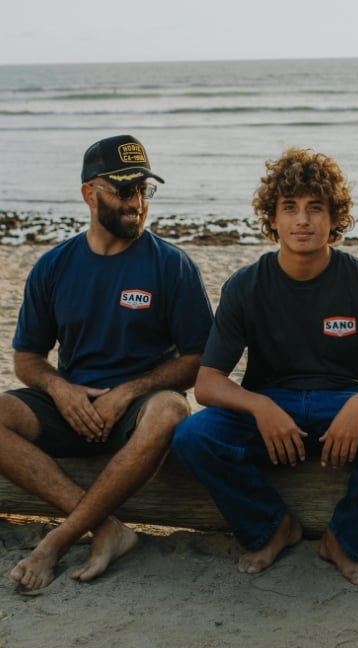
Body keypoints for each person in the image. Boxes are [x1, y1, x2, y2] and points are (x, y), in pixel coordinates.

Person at [172, 147, 358, 586]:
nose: (303, 220)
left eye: (316, 208)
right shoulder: (244, 286)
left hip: (347, 402)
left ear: (336, 218)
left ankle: (343, 541)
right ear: (272, 218)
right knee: (192, 437)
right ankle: (273, 527)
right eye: (289, 208)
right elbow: (208, 384)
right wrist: (259, 407)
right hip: (273, 407)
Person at [0, 134, 213, 590]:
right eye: (123, 189)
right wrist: (61, 389)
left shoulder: (172, 266)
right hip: (71, 406)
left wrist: (129, 391)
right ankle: (107, 528)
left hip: (138, 412)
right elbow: (26, 358)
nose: (136, 201)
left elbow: (201, 360)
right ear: (89, 193)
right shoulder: (53, 267)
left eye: (143, 189)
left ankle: (58, 539)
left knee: (172, 409)